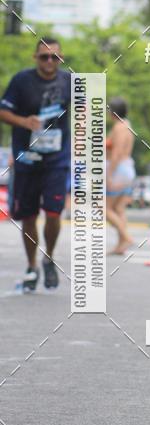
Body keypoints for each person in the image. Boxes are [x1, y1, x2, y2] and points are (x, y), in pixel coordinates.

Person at [0, 37, 71, 291]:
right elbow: (3, 110)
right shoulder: (21, 80)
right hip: (27, 159)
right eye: (44, 56)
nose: (50, 61)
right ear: (35, 58)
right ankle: (32, 266)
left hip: (57, 159)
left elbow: (87, 111)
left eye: (55, 57)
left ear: (61, 59)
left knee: (53, 213)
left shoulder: (70, 82)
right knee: (28, 216)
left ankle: (48, 257)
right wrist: (24, 122)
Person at [106, 97, 135, 255]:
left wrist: (109, 174)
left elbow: (116, 153)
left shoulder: (119, 128)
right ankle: (121, 245)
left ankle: (126, 237)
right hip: (126, 168)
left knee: (104, 208)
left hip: (119, 169)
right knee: (118, 209)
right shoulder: (127, 126)